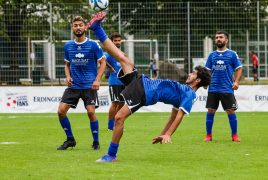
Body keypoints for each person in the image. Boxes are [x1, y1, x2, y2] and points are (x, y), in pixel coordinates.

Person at [86, 12, 211, 162]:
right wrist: (163, 133)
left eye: (193, 73)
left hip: (145, 92)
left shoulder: (190, 94)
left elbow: (178, 117)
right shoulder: (184, 90)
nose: (190, 74)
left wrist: (168, 134)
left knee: (119, 118)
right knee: (124, 59)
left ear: (197, 80)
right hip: (143, 82)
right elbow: (172, 116)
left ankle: (111, 155)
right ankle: (97, 28)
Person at [57, 16, 106, 150]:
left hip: (89, 85)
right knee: (61, 112)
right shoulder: (68, 46)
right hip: (74, 85)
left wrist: (97, 79)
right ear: (72, 28)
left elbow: (103, 62)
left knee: (91, 112)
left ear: (85, 27)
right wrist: (68, 77)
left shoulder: (93, 44)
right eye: (76, 25)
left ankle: (96, 142)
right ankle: (70, 139)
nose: (78, 27)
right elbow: (67, 65)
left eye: (80, 25)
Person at [204, 31, 242, 142]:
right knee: (210, 111)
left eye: (221, 37)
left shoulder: (232, 54)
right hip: (213, 88)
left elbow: (239, 69)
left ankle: (234, 136)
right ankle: (208, 136)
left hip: (227, 88)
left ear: (226, 40)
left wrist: (237, 82)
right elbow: (208, 71)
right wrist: (206, 82)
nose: (218, 39)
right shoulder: (212, 55)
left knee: (230, 111)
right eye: (216, 37)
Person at [105, 32, 125, 131]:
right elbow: (101, 59)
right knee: (115, 103)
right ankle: (110, 126)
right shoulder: (109, 52)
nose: (117, 42)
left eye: (119, 40)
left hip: (123, 82)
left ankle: (118, 124)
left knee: (121, 104)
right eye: (115, 41)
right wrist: (109, 67)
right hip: (114, 81)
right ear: (112, 42)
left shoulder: (121, 53)